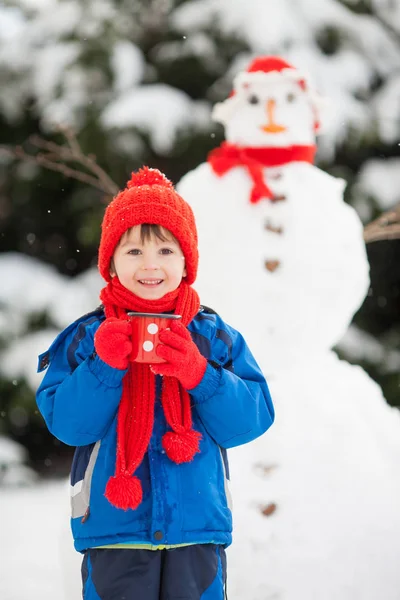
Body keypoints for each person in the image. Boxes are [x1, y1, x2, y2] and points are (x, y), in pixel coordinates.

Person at [36, 166, 274, 600]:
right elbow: (69, 426)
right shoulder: (87, 339)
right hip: (113, 531)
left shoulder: (212, 336)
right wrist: (103, 367)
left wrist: (201, 375)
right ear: (110, 262)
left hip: (196, 529)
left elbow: (250, 420)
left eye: (165, 251)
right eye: (133, 252)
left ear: (187, 261)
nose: (150, 265)